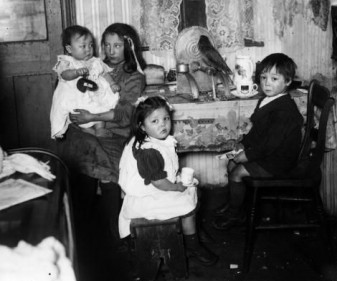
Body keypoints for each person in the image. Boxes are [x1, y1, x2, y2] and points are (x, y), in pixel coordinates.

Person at [58, 23, 146, 256]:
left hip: (115, 133)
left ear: (129, 47)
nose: (111, 49)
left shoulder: (134, 77)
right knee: (83, 170)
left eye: (117, 45)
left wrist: (93, 117)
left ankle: (115, 235)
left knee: (108, 178)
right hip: (85, 129)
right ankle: (83, 237)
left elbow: (125, 114)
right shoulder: (92, 65)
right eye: (107, 44)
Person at [118, 96, 218, 267]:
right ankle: (193, 244)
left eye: (165, 119)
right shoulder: (148, 151)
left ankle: (194, 230)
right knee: (187, 202)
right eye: (155, 121)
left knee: (195, 188)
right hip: (145, 198)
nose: (163, 124)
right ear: (142, 126)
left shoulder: (150, 139)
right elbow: (159, 183)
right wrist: (177, 187)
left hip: (152, 188)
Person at [212, 53, 304, 230]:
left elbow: (272, 143)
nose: (267, 83)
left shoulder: (284, 110)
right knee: (231, 164)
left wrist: (247, 155)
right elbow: (257, 132)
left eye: (274, 78)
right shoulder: (267, 100)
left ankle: (235, 215)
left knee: (237, 172)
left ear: (288, 81)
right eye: (263, 77)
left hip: (279, 160)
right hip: (268, 152)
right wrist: (243, 144)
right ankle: (235, 203)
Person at [50, 25, 120, 138]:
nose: (88, 49)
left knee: (100, 107)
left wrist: (112, 83)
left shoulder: (95, 61)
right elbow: (64, 75)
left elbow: (104, 73)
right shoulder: (66, 62)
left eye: (90, 45)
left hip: (94, 94)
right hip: (76, 95)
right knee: (76, 113)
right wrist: (76, 73)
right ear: (69, 49)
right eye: (83, 46)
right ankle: (86, 130)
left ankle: (99, 129)